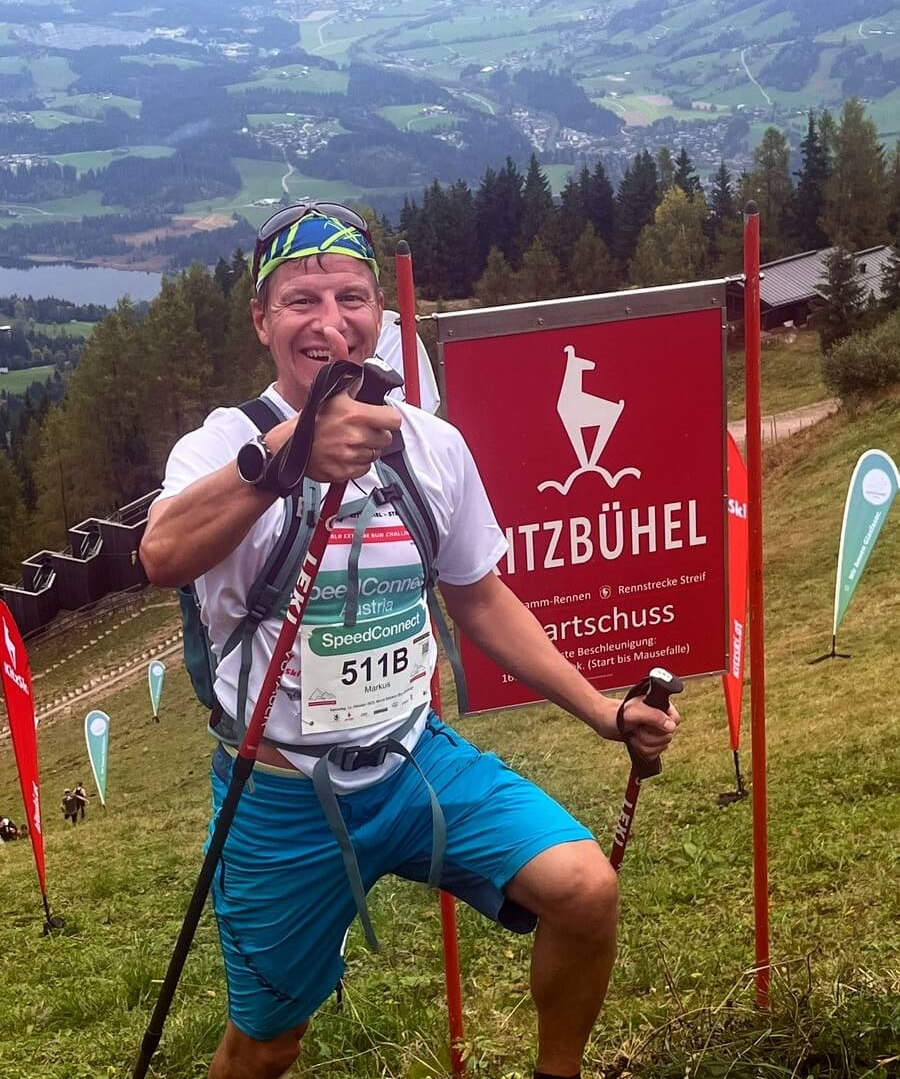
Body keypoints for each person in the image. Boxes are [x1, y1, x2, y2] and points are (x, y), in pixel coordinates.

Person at [140, 201, 681, 1079]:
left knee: (585, 893)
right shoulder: (224, 445)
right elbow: (161, 553)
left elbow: (479, 597)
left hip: (414, 760)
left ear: (379, 316)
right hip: (281, 795)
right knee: (269, 1045)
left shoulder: (431, 447)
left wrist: (600, 712)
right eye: (301, 301)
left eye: (350, 298)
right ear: (262, 320)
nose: (329, 322)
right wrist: (286, 456)